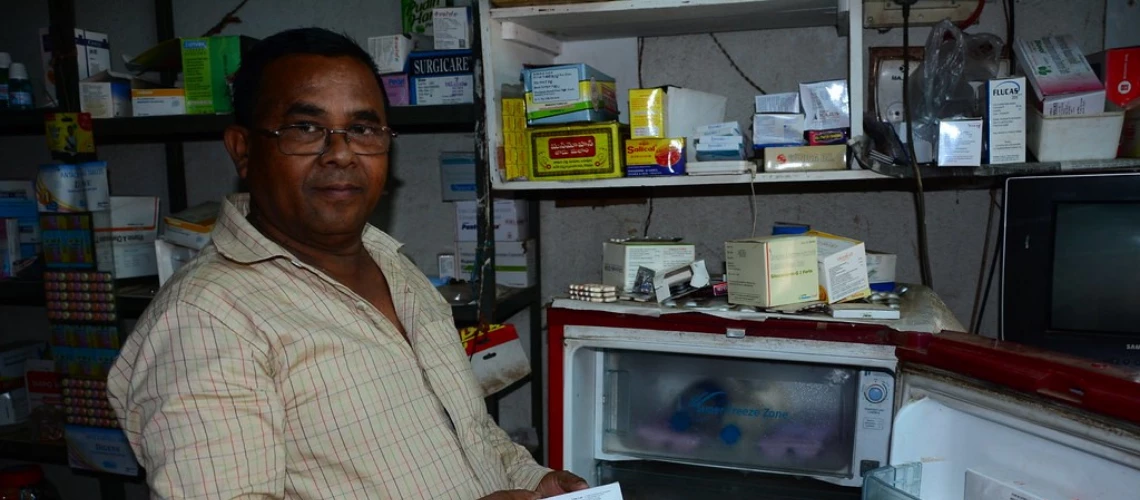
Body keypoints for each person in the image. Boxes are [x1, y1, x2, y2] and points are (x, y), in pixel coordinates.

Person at [107, 27, 587, 499]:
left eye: (362, 129)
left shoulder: (392, 266)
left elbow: (466, 432)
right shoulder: (206, 320)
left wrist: (529, 479)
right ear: (244, 149)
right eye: (305, 128)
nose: (340, 153)